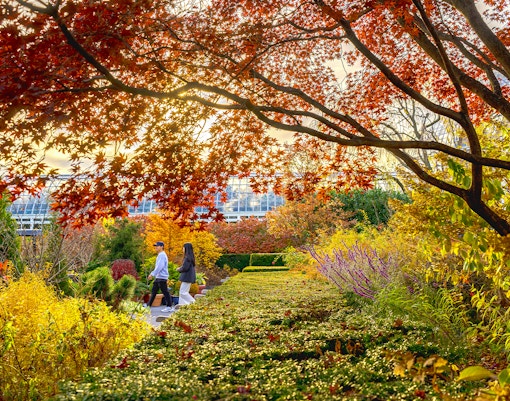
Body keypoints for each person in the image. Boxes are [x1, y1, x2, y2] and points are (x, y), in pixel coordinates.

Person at [147, 241, 174, 312]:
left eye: (157, 246)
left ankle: (169, 306)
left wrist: (152, 274)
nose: (156, 247)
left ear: (162, 247)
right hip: (159, 277)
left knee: (165, 292)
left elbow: (160, 266)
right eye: (155, 246)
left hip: (162, 277)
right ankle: (148, 305)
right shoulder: (160, 255)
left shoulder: (162, 255)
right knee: (154, 291)